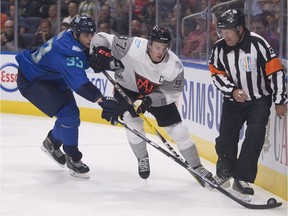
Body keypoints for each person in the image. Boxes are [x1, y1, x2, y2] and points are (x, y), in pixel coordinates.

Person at [88, 25, 213, 186]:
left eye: (164, 48)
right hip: (127, 88)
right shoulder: (132, 46)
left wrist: (148, 100)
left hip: (155, 93)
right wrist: (100, 51)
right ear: (149, 44)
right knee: (132, 123)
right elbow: (101, 37)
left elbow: (171, 94)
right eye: (157, 47)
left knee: (179, 130)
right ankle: (142, 158)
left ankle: (197, 167)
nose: (160, 52)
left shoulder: (174, 66)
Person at [15, 16, 119, 179]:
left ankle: (51, 143)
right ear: (76, 33)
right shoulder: (66, 52)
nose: (90, 38)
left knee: (69, 117)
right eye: (86, 35)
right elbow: (81, 85)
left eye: (92, 33)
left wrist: (105, 62)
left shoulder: (70, 35)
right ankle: (73, 158)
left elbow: (84, 56)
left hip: (51, 77)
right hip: (32, 79)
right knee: (69, 115)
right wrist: (102, 100)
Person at [209, 9, 287, 198]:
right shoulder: (219, 48)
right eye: (221, 31)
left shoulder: (258, 43)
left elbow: (275, 71)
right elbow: (216, 74)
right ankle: (224, 173)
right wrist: (232, 91)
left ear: (240, 28)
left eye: (228, 31)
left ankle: (242, 178)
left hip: (259, 100)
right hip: (233, 101)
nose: (224, 35)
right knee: (226, 138)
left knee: (255, 135)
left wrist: (280, 100)